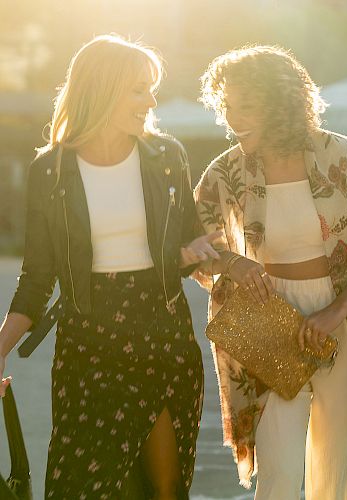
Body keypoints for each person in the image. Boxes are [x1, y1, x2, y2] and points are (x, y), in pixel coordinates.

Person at [194, 45, 347, 500]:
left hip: (346, 318)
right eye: (228, 105)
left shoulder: (345, 156)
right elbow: (191, 246)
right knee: (278, 467)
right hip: (268, 318)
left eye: (247, 104)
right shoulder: (226, 172)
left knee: (340, 466)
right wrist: (234, 263)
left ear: (281, 102)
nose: (233, 118)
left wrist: (334, 312)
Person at [0, 34, 220, 499]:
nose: (151, 100)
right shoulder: (50, 172)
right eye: (138, 89)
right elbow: (37, 279)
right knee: (81, 486)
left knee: (163, 487)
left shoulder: (167, 158)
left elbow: (186, 242)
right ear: (102, 89)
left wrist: (191, 253)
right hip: (87, 343)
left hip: (161, 335)